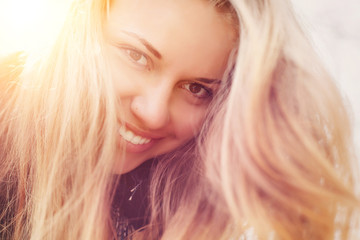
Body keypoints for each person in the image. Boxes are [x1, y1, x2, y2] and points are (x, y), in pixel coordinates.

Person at [0, 0, 359, 239]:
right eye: (136, 57)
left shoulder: (181, 202)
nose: (154, 112)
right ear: (78, 28)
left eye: (196, 88)